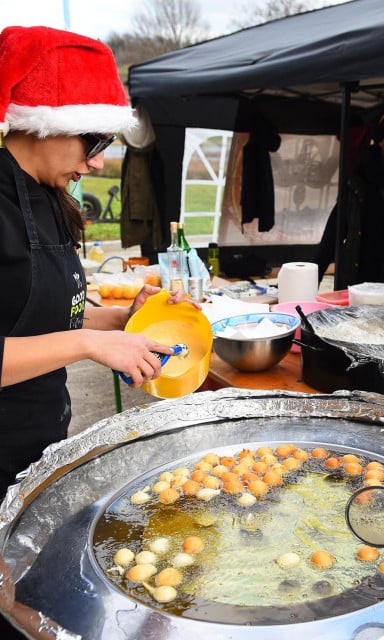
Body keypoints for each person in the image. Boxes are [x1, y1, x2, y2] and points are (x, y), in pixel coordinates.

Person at [0, 27, 195, 504]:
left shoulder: (52, 200)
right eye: (95, 142)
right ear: (47, 122)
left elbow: (43, 314)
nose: (99, 164)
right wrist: (90, 343)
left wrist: (122, 322)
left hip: (38, 441)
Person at [314, 105, 384, 284]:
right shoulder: (360, 179)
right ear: (381, 140)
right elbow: (334, 232)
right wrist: (313, 277)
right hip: (360, 277)